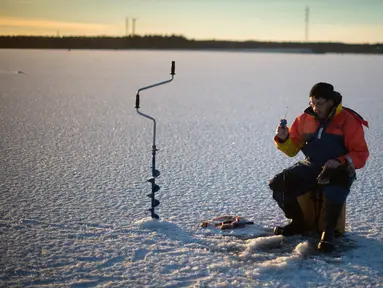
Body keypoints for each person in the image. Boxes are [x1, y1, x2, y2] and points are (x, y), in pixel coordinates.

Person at [269, 82, 369, 252]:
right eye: (312, 103)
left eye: (319, 103)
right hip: (312, 164)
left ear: (331, 101)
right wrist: (284, 139)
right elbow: (292, 150)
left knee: (335, 187)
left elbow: (361, 153)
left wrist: (340, 161)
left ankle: (328, 233)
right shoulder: (304, 119)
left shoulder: (348, 120)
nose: (315, 108)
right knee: (278, 183)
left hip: (339, 168)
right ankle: (298, 222)